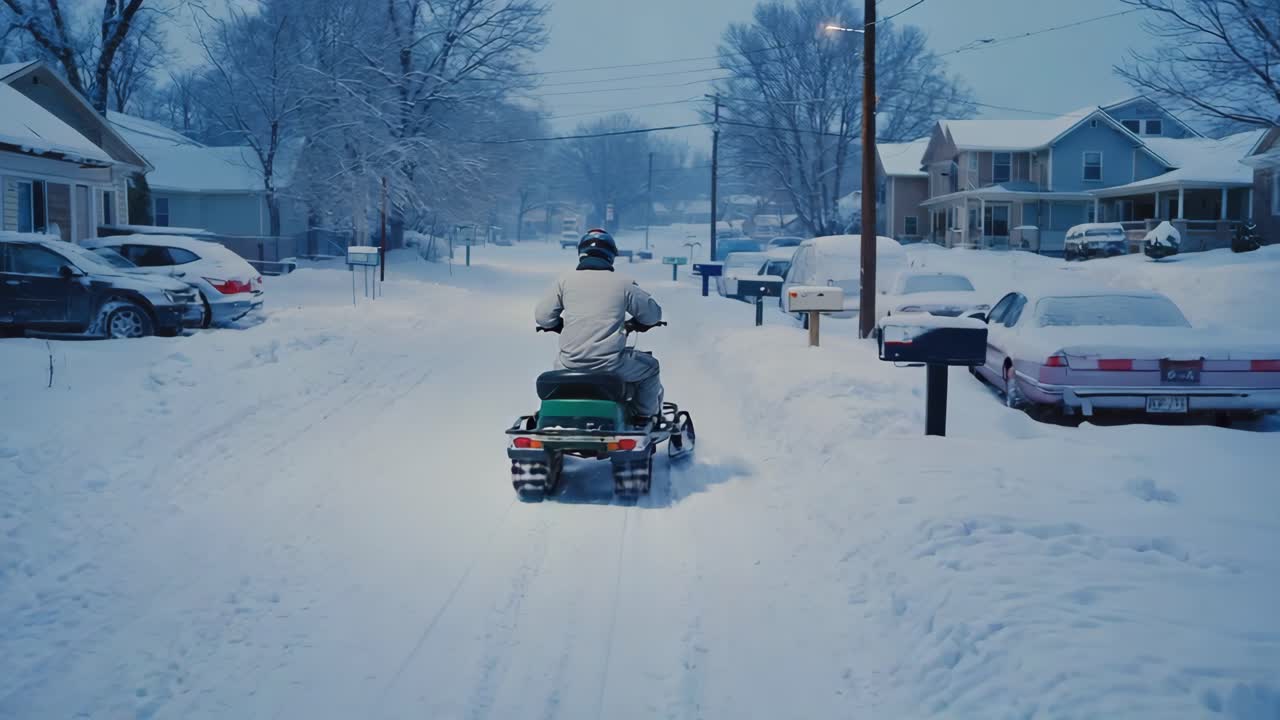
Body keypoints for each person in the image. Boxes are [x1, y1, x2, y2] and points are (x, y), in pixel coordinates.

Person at [535, 229, 664, 424]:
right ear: (611, 254)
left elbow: (543, 317)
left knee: (558, 363)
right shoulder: (623, 283)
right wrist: (635, 324)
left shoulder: (565, 280)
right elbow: (652, 316)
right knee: (651, 367)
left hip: (568, 365)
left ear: (581, 253)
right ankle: (644, 416)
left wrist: (558, 324)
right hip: (612, 365)